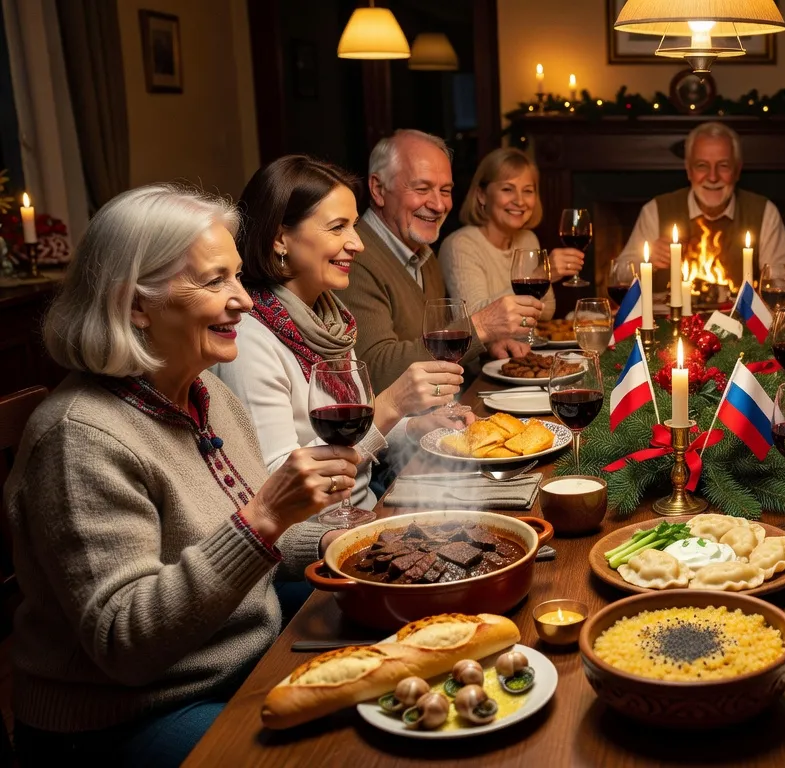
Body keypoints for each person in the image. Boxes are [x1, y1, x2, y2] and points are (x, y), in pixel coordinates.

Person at [5, 185, 358, 766]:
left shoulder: (204, 392)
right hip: (124, 717)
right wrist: (264, 517)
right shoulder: (80, 437)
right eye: (214, 280)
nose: (244, 300)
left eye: (239, 276)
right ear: (135, 305)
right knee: (335, 756)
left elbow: (234, 533)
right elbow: (126, 642)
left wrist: (339, 537)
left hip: (235, 654)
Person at [213, 155, 468, 511]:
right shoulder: (250, 339)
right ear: (280, 238)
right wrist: (391, 403)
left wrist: (413, 426)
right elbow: (278, 486)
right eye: (338, 228)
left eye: (354, 226)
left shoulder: (328, 320)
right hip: (319, 536)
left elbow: (347, 432)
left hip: (366, 508)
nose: (357, 243)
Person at [340, 129, 536, 392]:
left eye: (445, 191)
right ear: (378, 189)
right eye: (422, 188)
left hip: (440, 412)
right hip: (396, 431)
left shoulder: (422, 251)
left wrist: (485, 344)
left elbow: (437, 340)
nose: (439, 205)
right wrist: (480, 326)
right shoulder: (352, 257)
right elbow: (376, 372)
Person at [612, 121, 785, 286]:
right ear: (689, 171)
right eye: (702, 166)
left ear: (737, 171)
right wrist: (647, 261)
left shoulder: (763, 211)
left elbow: (784, 281)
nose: (713, 177)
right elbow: (617, 276)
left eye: (723, 165)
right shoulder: (656, 210)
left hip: (739, 321)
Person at [439, 147, 584, 316]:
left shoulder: (528, 239)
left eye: (528, 191)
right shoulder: (460, 245)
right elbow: (473, 319)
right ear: (481, 195)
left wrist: (540, 278)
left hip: (522, 342)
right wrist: (539, 275)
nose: (520, 201)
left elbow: (546, 312)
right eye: (507, 189)